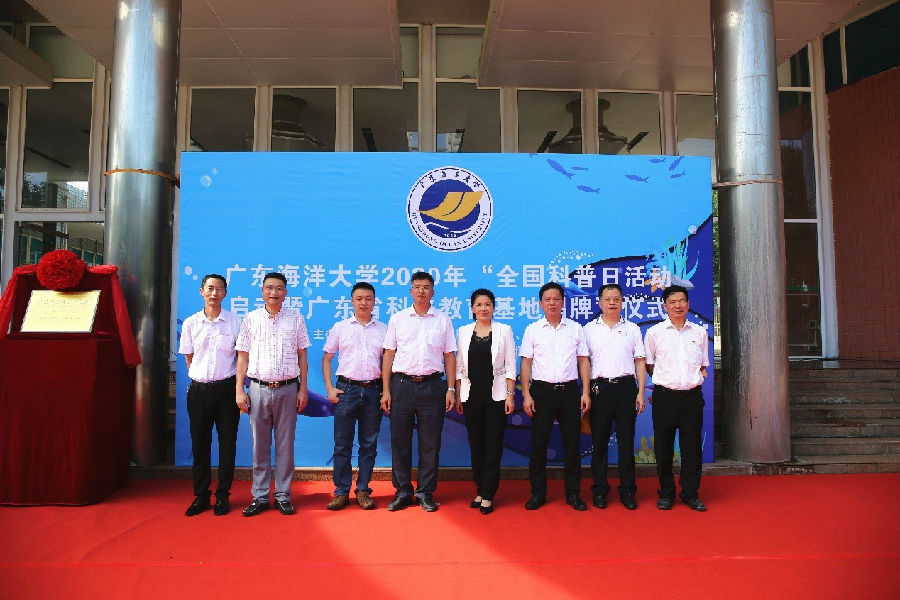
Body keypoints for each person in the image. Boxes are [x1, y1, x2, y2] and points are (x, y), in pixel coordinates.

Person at [381, 271, 457, 512]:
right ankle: (403, 490)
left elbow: (449, 356)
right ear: (411, 291)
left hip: (433, 386)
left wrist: (451, 389)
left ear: (433, 292)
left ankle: (425, 491)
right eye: (417, 287)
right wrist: (386, 390)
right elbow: (389, 355)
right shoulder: (398, 319)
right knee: (399, 440)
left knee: (430, 442)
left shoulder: (443, 320)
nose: (421, 291)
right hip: (401, 385)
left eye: (426, 287)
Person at [235, 272, 310, 517]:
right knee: (260, 445)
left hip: (288, 388)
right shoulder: (251, 319)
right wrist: (239, 390)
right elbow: (242, 356)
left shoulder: (296, 318)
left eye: (279, 288)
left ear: (285, 292)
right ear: (262, 291)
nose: (274, 292)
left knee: (285, 445)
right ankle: (259, 496)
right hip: (257, 389)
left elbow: (302, 356)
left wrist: (303, 389)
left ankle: (283, 496)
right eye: (269, 288)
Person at [520, 282, 592, 511]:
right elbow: (526, 363)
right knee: (538, 444)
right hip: (541, 392)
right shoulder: (533, 329)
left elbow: (583, 361)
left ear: (563, 302)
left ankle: (573, 493)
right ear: (541, 303)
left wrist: (585, 391)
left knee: (572, 444)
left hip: (569, 392)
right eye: (547, 299)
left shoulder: (575, 329)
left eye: (556, 299)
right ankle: (537, 493)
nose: (552, 303)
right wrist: (527, 394)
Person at [179, 274, 242, 517]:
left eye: (219, 289)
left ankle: (223, 495)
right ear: (202, 291)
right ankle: (201, 495)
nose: (214, 293)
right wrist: (202, 378)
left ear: (225, 293)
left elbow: (241, 359)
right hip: (199, 391)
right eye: (210, 288)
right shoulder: (191, 323)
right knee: (200, 444)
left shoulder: (235, 323)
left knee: (227, 444)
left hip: (227, 390)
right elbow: (189, 358)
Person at [321, 282, 387, 510]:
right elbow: (327, 359)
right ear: (352, 301)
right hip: (346, 390)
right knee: (342, 444)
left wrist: (386, 391)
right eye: (359, 299)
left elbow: (389, 362)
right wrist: (329, 388)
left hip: (374, 391)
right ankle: (341, 491)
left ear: (374, 301)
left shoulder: (384, 329)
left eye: (368, 299)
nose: (363, 303)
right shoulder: (340, 327)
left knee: (368, 444)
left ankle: (363, 490)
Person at [644, 285, 709, 512]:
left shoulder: (699, 333)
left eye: (681, 301)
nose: (678, 306)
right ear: (665, 306)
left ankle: (690, 493)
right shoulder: (655, 333)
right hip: (665, 398)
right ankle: (666, 493)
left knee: (692, 448)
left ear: (688, 304)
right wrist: (666, 381)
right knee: (663, 448)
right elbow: (649, 364)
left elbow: (702, 365)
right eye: (672, 302)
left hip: (692, 398)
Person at [583, 283, 646, 511]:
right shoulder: (588, 329)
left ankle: (628, 491)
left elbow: (640, 361)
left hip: (626, 388)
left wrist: (640, 391)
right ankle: (599, 491)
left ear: (622, 302)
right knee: (599, 443)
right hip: (599, 389)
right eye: (607, 299)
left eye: (616, 299)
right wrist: (586, 391)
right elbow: (584, 362)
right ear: (599, 302)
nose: (612, 303)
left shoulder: (632, 328)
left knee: (626, 443)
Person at [454, 288, 517, 515]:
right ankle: (480, 489)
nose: (483, 308)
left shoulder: (503, 330)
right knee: (476, 444)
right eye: (479, 305)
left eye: (487, 304)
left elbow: (510, 365)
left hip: (496, 396)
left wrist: (510, 394)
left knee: (493, 445)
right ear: (472, 308)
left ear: (494, 307)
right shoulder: (463, 332)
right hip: (471, 396)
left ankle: (489, 493)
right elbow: (459, 367)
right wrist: (458, 395)